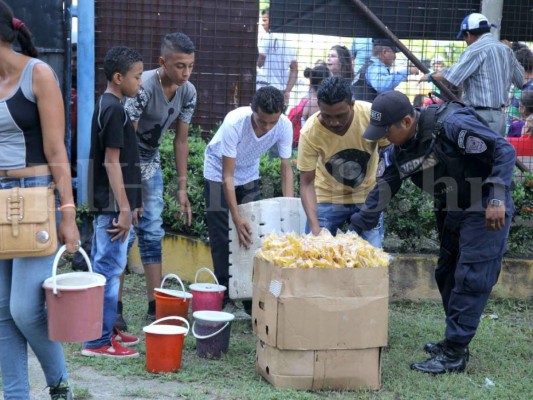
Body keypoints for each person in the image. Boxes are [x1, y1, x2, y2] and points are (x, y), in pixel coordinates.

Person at [349, 91, 516, 374]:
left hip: (485, 202)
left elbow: (504, 150)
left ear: (405, 121)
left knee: (471, 276)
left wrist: (498, 196)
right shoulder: (399, 151)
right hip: (453, 205)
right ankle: (454, 340)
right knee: (447, 273)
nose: (383, 138)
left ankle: (454, 353)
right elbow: (384, 190)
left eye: (386, 131)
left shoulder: (452, 125)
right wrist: (353, 231)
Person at [0, 3, 80, 398]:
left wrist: (68, 213)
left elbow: (57, 150)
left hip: (33, 199)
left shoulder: (38, 74)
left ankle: (59, 382)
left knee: (24, 309)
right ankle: (16, 395)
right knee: (0, 312)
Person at [122, 32, 196, 324]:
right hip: (124, 163)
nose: (186, 73)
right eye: (180, 66)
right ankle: (114, 311)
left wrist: (182, 188)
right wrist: (133, 193)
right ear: (162, 62)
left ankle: (155, 307)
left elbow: (181, 141)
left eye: (190, 65)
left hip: (150, 162)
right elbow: (127, 142)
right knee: (124, 234)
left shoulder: (188, 91)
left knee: (152, 231)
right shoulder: (144, 87)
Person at [203, 86, 294, 310]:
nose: (267, 127)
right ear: (253, 110)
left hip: (249, 172)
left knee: (252, 232)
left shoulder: (285, 125)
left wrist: (289, 208)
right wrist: (235, 216)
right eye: (262, 121)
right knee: (221, 234)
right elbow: (227, 175)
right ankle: (224, 295)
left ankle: (248, 295)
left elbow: (286, 169)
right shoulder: (235, 122)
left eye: (273, 122)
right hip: (217, 171)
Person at [82, 46, 144, 359]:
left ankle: (107, 330)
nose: (141, 82)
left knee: (111, 269)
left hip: (115, 205)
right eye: (137, 76)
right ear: (118, 78)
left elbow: (126, 161)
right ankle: (98, 340)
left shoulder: (108, 104)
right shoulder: (115, 109)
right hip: (110, 208)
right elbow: (111, 162)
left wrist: (133, 201)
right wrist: (122, 207)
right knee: (107, 271)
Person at [297, 76, 386, 246]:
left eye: (340, 115)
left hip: (368, 197)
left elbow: (388, 156)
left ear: (352, 104)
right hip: (327, 197)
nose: (334, 122)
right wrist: (315, 229)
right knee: (315, 256)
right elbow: (306, 183)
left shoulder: (370, 115)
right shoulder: (310, 132)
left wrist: (378, 196)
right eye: (327, 116)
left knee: (373, 260)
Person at [419, 13, 524, 135]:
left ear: (468, 34)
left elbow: (454, 75)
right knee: (493, 153)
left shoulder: (475, 48)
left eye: (464, 38)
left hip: (481, 116)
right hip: (500, 117)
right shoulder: (506, 50)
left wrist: (430, 76)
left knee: (474, 152)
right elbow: (520, 80)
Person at [352, 38, 419, 102]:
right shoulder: (376, 68)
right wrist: (407, 71)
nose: (395, 57)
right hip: (365, 111)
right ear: (384, 52)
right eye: (394, 52)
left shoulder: (371, 66)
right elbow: (383, 86)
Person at [256, 8, 298, 105]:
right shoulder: (290, 39)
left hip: (266, 88)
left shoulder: (267, 36)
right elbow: (294, 69)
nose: (262, 23)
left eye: (265, 20)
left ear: (273, 20)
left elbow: (261, 61)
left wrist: (256, 63)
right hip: (281, 90)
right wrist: (287, 91)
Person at [287, 63, 330, 149]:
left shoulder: (307, 98)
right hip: (310, 146)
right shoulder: (315, 102)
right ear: (323, 82)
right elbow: (316, 131)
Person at [507, 47, 533, 134]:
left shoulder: (531, 88)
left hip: (523, 137)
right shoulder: (517, 84)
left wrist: (522, 121)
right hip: (510, 133)